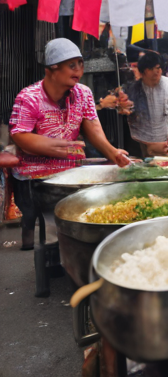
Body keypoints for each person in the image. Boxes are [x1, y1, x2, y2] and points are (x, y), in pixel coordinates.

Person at [9, 39, 130, 250]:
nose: (79, 70)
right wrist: (52, 146)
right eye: (71, 65)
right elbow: (19, 135)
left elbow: (93, 128)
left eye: (80, 64)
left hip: (68, 170)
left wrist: (113, 153)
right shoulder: (28, 97)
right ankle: (29, 238)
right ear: (52, 69)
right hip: (33, 173)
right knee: (31, 217)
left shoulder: (84, 93)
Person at [125, 52, 168, 157]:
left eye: (158, 68)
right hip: (142, 138)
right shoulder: (134, 88)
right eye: (151, 69)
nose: (156, 72)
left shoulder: (167, 84)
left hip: (164, 137)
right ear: (143, 73)